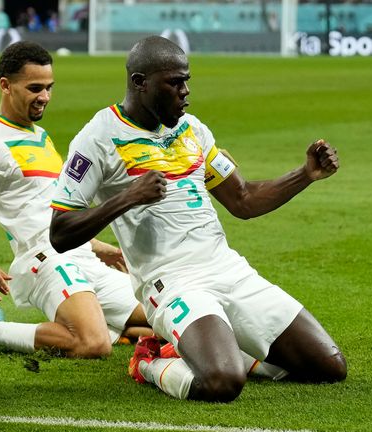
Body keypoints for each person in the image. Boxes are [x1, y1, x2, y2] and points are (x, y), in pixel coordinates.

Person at [49, 36, 347, 402]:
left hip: (226, 269)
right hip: (171, 283)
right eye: (174, 83)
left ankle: (227, 349)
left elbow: (244, 199)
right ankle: (149, 360)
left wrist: (305, 174)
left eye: (186, 80)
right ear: (140, 82)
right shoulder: (98, 138)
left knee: (330, 366)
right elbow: (59, 232)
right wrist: (127, 197)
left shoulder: (193, 130)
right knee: (223, 382)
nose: (185, 91)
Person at [0, 41, 152, 358]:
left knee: (161, 315)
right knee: (92, 344)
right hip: (46, 260)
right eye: (34, 88)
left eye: (48, 87)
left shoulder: (40, 137)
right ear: (5, 85)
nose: (44, 97)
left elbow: (45, 208)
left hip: (81, 256)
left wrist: (99, 248)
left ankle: (109, 326)